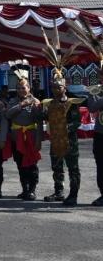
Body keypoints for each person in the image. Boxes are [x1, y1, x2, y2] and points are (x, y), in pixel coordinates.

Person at [43, 75, 82, 206]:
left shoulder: (72, 103)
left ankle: (73, 195)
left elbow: (77, 122)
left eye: (58, 87)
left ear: (65, 88)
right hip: (55, 140)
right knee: (57, 167)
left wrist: (65, 128)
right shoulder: (50, 104)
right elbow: (45, 117)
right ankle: (59, 192)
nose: (55, 90)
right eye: (53, 87)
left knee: (73, 169)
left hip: (69, 141)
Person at [5, 78, 43, 200]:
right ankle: (24, 189)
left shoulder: (36, 102)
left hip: (30, 138)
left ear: (29, 88)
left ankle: (32, 190)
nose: (21, 90)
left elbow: (39, 123)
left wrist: (38, 141)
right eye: (19, 88)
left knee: (31, 164)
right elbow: (8, 114)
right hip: (17, 138)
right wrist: (21, 105)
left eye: (24, 87)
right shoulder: (13, 101)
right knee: (20, 164)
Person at [86, 86, 103, 206]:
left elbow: (94, 106)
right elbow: (92, 108)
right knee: (101, 166)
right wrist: (92, 93)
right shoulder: (98, 90)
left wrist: (94, 94)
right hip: (100, 134)